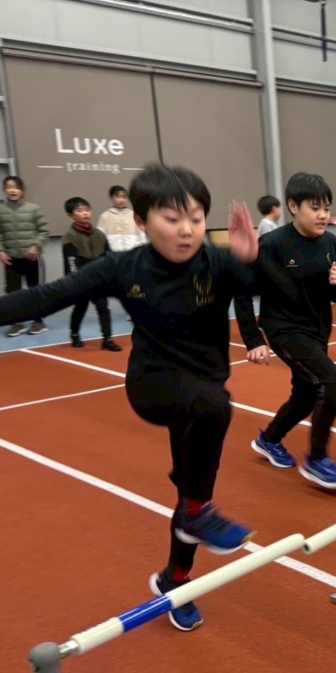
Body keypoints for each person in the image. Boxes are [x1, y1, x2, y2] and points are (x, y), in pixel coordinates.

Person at [0, 163, 260, 632]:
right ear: (142, 221)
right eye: (172, 219)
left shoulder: (218, 262)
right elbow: (45, 297)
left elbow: (271, 290)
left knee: (192, 491)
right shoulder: (124, 267)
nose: (187, 230)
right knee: (214, 414)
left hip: (201, 389)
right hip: (153, 385)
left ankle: (175, 580)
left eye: (196, 218)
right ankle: (196, 515)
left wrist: (249, 262)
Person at [236, 172, 336, 489]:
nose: (323, 215)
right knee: (334, 383)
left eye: (327, 208)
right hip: (284, 330)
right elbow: (242, 292)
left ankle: (269, 439)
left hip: (318, 330)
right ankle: (317, 459)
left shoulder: (331, 243)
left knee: (306, 396)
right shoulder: (272, 245)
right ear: (293, 206)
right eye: (315, 208)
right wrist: (253, 339)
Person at [60, 196, 121, 351]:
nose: (85, 213)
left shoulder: (99, 235)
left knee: (103, 307)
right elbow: (71, 262)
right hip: (81, 280)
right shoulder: (70, 237)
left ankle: (107, 339)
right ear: (71, 215)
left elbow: (108, 257)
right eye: (80, 211)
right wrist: (76, 281)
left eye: (87, 210)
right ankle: (74, 334)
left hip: (99, 279)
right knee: (80, 307)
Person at [0, 176, 49, 337]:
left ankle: (38, 322)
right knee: (13, 292)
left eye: (16, 187)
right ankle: (17, 323)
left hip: (31, 258)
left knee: (35, 290)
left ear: (22, 190)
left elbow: (44, 231)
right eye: (9, 187)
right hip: (11, 259)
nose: (12, 190)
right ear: (4, 190)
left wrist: (36, 246)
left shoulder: (33, 209)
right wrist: (1, 251)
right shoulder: (1, 210)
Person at [97, 184, 147, 254]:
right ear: (111, 198)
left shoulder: (134, 215)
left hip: (133, 252)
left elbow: (142, 235)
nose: (121, 200)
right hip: (113, 253)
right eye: (118, 197)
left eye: (124, 197)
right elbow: (100, 237)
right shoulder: (105, 216)